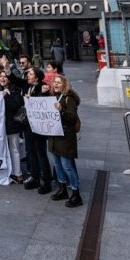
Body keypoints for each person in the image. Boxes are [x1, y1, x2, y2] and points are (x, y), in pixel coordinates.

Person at [48, 75, 83, 207]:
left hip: (65, 137)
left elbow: (73, 117)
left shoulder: (69, 98)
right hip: (54, 135)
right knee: (57, 164)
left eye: (59, 82)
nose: (56, 84)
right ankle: (62, 189)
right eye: (54, 82)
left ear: (64, 85)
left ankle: (75, 193)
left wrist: (61, 110)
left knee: (67, 166)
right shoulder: (53, 96)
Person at [22, 68, 53, 194]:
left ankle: (46, 180)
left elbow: (44, 104)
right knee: (31, 152)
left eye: (30, 74)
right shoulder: (29, 87)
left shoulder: (43, 87)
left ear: (37, 77)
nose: (28, 76)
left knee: (41, 153)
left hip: (39, 127)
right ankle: (35, 176)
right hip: (29, 126)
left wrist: (39, 95)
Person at [0, 70, 26, 183]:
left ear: (9, 79)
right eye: (0, 77)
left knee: (14, 149)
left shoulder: (15, 91)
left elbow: (15, 106)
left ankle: (18, 174)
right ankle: (7, 171)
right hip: (0, 125)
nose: (2, 79)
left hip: (12, 125)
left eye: (5, 77)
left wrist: (6, 96)